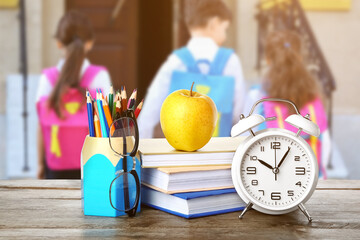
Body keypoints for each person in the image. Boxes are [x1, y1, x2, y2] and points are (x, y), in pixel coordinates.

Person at [138, 0, 246, 138]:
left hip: (181, 153)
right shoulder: (231, 62)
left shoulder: (175, 62)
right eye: (224, 29)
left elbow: (149, 113)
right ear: (214, 24)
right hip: (219, 151)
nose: (225, 36)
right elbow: (239, 113)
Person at [243, 30, 330, 179]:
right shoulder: (313, 98)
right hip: (312, 182)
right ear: (300, 57)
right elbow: (325, 144)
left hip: (270, 181)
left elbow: (244, 140)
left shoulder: (257, 97)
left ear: (268, 59)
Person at [36, 10, 111, 179]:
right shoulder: (100, 76)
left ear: (59, 43)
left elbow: (42, 125)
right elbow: (108, 124)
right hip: (93, 163)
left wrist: (40, 164)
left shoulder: (47, 79)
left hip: (56, 167)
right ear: (89, 43)